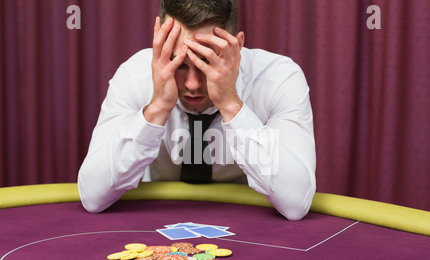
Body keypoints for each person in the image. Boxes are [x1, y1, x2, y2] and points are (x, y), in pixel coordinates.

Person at [78, 0, 316, 221]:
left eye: (207, 61)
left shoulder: (278, 78)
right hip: (158, 217)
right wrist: (158, 107)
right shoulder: (135, 75)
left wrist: (230, 103)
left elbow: (295, 203)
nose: (192, 84)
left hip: (252, 222)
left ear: (238, 47)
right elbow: (92, 196)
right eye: (179, 64)